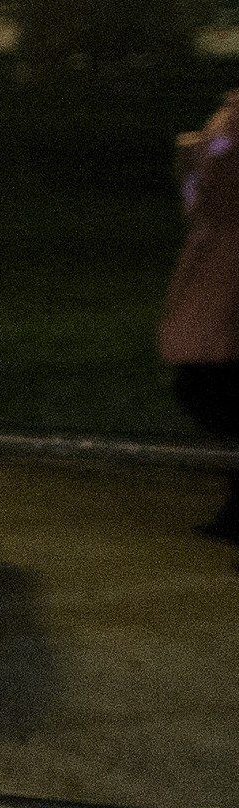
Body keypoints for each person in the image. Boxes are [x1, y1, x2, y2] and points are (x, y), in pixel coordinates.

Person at [160, 84, 239, 545]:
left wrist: (204, 152)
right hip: (214, 262)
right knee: (207, 382)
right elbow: (200, 188)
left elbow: (212, 178)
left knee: (213, 382)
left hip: (223, 264)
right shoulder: (230, 115)